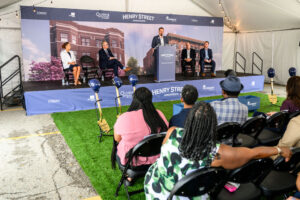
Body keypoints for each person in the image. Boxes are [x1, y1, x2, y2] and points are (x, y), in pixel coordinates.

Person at [144, 102, 292, 200]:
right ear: (212, 125)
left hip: (155, 189)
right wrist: (279, 149)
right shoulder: (217, 153)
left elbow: (164, 155)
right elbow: (254, 153)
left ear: (189, 122)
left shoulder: (172, 132)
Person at [112, 87, 169, 168]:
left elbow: (117, 139)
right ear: (150, 99)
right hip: (157, 158)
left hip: (132, 161)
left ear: (134, 99)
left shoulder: (124, 117)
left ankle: (130, 176)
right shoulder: (159, 113)